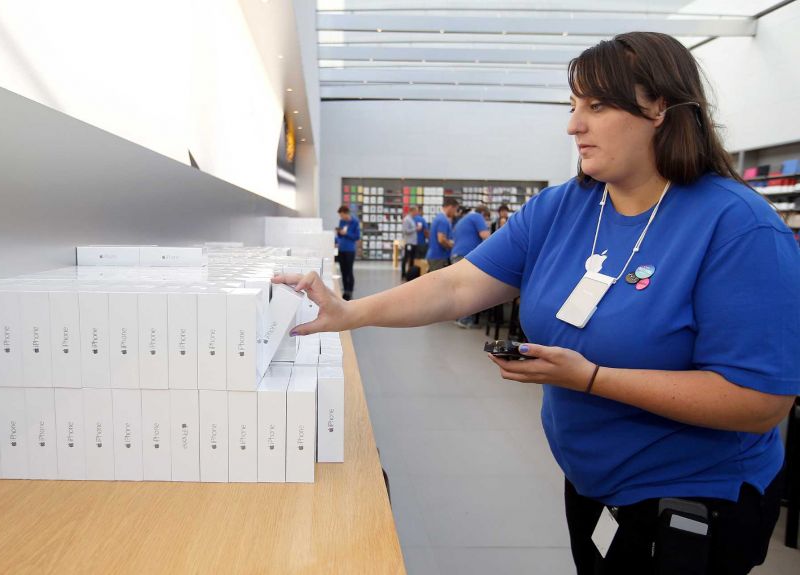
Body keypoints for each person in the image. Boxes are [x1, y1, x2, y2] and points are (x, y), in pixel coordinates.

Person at [277, 32, 800, 575]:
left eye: (596, 106)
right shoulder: (565, 206)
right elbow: (459, 285)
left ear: (660, 108)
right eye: (573, 107)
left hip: (691, 503)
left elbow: (759, 399)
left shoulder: (739, 228)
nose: (574, 125)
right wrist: (350, 312)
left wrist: (593, 378)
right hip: (593, 486)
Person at [452, 205, 491, 327]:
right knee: (470, 289)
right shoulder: (477, 216)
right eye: (487, 218)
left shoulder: (463, 220)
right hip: (466, 256)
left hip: (456, 255)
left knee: (460, 289)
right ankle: (465, 319)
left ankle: (459, 317)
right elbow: (486, 236)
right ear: (483, 214)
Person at [425, 198, 458, 272]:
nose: (455, 213)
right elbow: (441, 239)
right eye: (455, 210)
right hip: (438, 257)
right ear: (450, 207)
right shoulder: (443, 220)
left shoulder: (439, 217)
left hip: (435, 255)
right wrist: (452, 247)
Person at [335, 205, 360, 300]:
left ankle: (350, 290)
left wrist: (346, 234)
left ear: (346, 213)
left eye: (342, 215)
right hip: (341, 249)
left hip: (350, 250)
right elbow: (340, 236)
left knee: (349, 271)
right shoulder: (342, 221)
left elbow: (356, 237)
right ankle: (345, 290)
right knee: (343, 271)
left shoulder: (355, 222)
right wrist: (338, 234)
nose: (341, 217)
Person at [401, 206, 419, 279]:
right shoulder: (407, 219)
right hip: (409, 243)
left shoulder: (411, 219)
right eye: (416, 211)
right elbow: (406, 231)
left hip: (413, 243)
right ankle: (403, 274)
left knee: (411, 259)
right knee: (406, 258)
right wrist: (415, 229)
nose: (417, 213)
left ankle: (410, 274)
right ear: (412, 211)